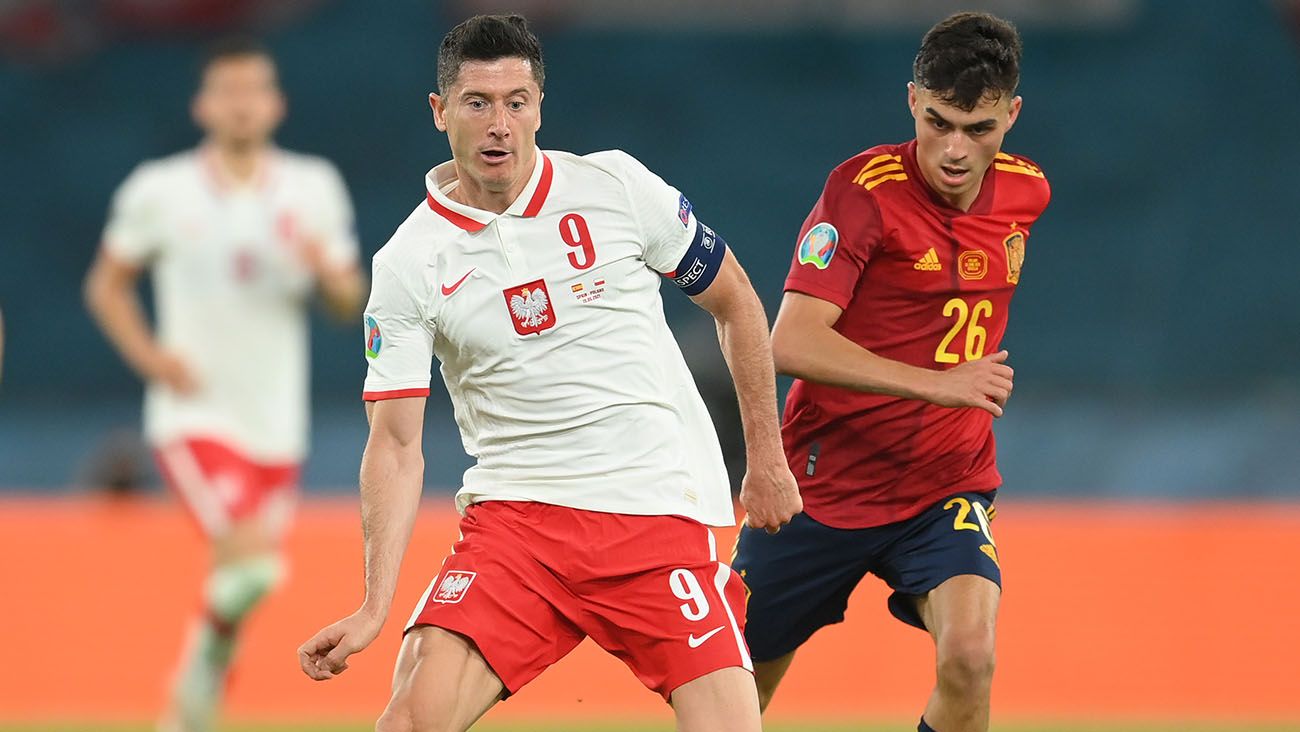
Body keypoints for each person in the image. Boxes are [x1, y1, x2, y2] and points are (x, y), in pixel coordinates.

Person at [296, 14, 801, 732]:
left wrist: (766, 459)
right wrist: (375, 603)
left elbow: (738, 303)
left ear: (540, 106)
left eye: (516, 101)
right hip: (519, 527)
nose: (499, 124)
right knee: (408, 723)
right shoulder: (411, 262)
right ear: (440, 113)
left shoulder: (617, 188)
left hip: (654, 513)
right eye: (477, 103)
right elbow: (397, 444)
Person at [732, 12, 1051, 732]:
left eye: (981, 128)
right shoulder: (861, 192)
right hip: (821, 488)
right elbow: (791, 341)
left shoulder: (1028, 193)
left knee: (971, 656)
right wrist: (940, 384)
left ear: (1013, 115)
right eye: (939, 122)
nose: (956, 150)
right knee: (730, 698)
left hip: (945, 484)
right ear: (913, 100)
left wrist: (951, 397)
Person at [84, 37, 363, 732]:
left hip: (277, 421)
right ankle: (194, 693)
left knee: (242, 580)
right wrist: (151, 358)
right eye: (227, 91)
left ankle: (197, 688)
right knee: (248, 559)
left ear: (276, 104)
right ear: (204, 105)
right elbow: (107, 285)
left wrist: (328, 276)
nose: (242, 104)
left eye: (254, 90)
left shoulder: (313, 185)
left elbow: (348, 300)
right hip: (194, 413)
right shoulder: (160, 188)